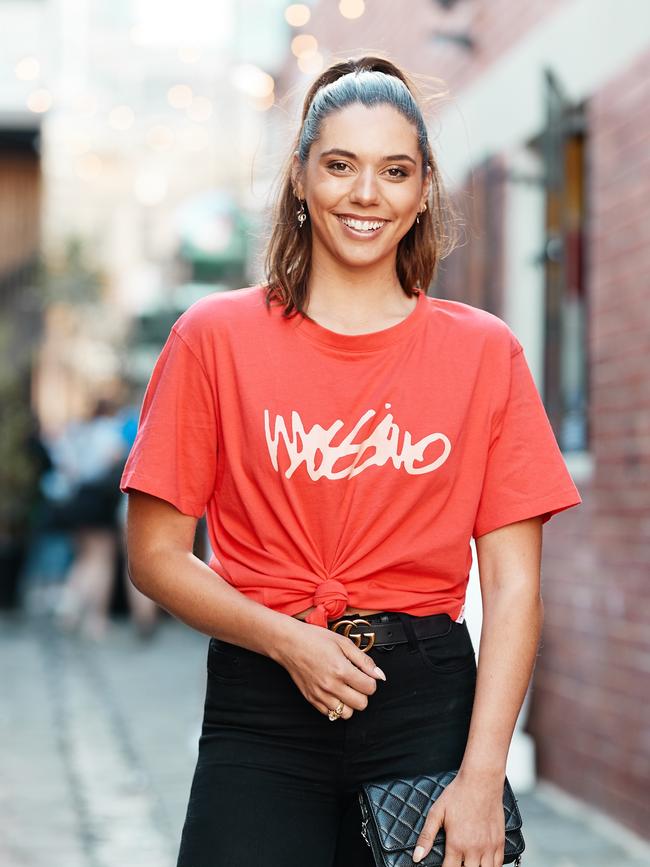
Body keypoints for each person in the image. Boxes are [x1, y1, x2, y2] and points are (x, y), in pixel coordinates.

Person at [121, 56, 582, 867]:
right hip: (261, 701)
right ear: (301, 177)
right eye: (340, 165)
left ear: (422, 189)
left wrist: (483, 778)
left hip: (426, 705)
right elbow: (156, 556)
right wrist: (286, 640)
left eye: (395, 171)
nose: (366, 194)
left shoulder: (485, 353)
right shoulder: (214, 338)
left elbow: (513, 588)